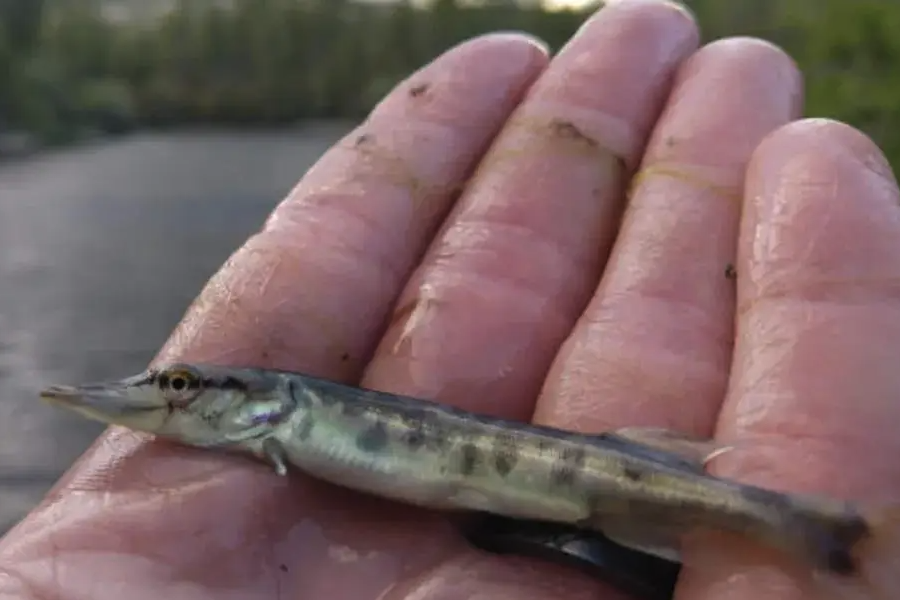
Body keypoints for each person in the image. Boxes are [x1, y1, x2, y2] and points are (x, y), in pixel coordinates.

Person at [2, 1, 899, 598]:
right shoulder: (278, 428)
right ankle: (810, 531)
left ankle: (817, 533)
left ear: (248, 402)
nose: (170, 399)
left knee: (617, 482)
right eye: (181, 387)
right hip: (576, 487)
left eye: (187, 386)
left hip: (589, 478)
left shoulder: (289, 416)